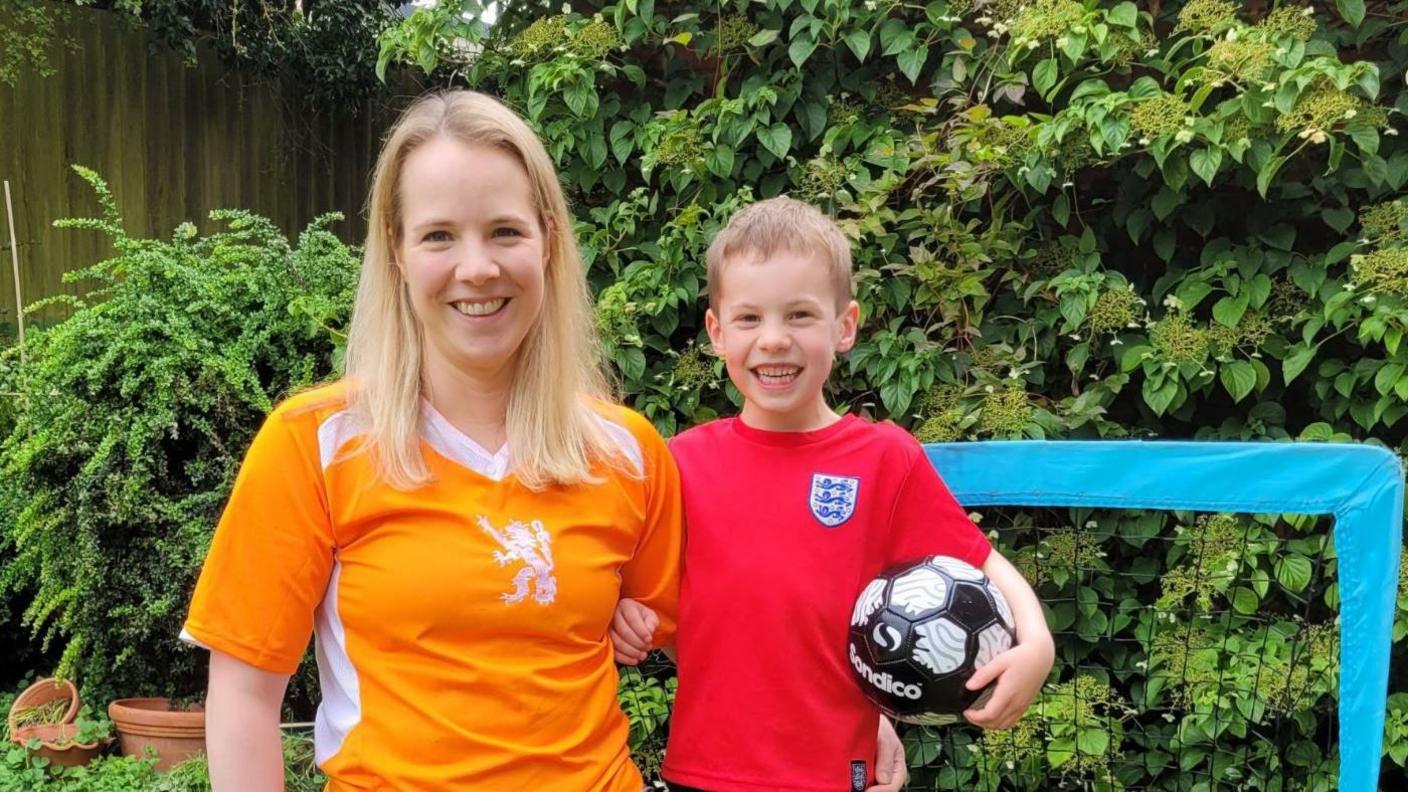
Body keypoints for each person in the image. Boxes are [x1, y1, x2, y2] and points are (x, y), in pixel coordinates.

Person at [181, 90, 682, 790]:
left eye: (505, 232)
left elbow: (701, 624)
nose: (477, 268)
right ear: (396, 252)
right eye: (439, 235)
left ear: (549, 241)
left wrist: (859, 708)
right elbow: (242, 696)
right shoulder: (313, 447)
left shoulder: (627, 450)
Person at [611, 196, 1056, 792]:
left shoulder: (885, 459)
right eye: (749, 319)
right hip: (704, 771)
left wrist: (1039, 644)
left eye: (799, 315)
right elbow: (630, 590)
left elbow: (983, 562)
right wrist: (625, 615)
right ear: (716, 333)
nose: (773, 340)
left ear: (844, 326)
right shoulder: (679, 464)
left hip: (836, 776)